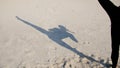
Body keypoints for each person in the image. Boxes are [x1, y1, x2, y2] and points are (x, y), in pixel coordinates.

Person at [98, 0, 120, 68]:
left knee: (115, 48)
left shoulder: (114, 10)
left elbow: (104, 1)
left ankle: (114, 65)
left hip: (115, 33)